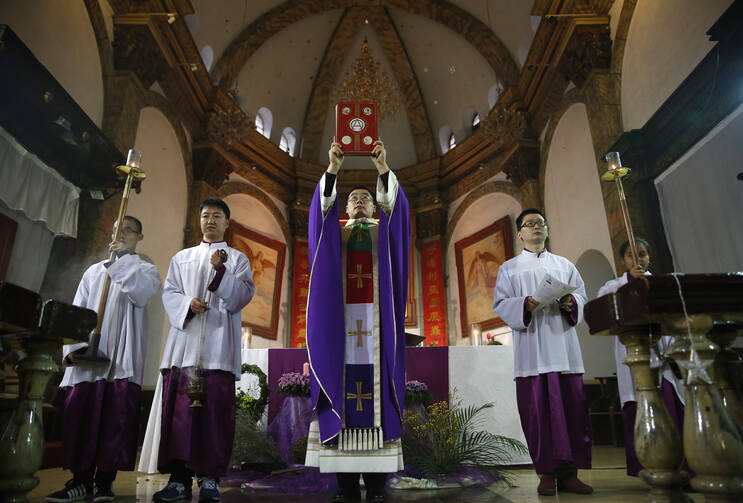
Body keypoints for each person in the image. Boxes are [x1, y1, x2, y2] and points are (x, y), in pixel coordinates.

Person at [304, 139, 410, 503]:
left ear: (377, 202)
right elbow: (319, 212)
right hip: (341, 330)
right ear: (344, 206)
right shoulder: (333, 234)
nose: (360, 201)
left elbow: (400, 216)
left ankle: (378, 485)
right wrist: (332, 170)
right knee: (342, 390)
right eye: (353, 198)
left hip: (377, 330)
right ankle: (346, 486)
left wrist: (383, 169)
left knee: (378, 394)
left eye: (367, 197)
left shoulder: (385, 232)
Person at [47, 216, 161, 503]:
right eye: (116, 231)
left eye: (128, 231)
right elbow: (78, 312)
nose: (121, 235)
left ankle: (105, 483)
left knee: (114, 422)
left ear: (139, 237)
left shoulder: (145, 270)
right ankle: (80, 481)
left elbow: (140, 294)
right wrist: (72, 351)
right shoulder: (93, 272)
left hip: (120, 361)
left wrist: (120, 260)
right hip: (90, 361)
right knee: (82, 421)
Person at [154, 198, 255, 502]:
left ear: (227, 223)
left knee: (213, 417)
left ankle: (210, 479)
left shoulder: (237, 259)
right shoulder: (181, 257)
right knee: (179, 416)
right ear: (199, 221)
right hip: (184, 347)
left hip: (218, 348)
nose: (210, 220)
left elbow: (241, 297)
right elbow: (169, 291)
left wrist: (220, 272)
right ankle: (179, 479)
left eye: (217, 216)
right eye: (206, 216)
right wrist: (187, 304)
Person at [493, 209, 593, 496]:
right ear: (520, 233)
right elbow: (501, 304)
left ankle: (570, 474)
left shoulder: (565, 266)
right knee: (538, 415)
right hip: (532, 353)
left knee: (572, 412)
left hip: (564, 350)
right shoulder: (509, 269)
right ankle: (546, 473)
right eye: (529, 224)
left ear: (547, 230)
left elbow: (582, 298)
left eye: (541, 223)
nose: (536, 227)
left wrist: (571, 303)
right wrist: (528, 303)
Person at [596, 238, 685, 477]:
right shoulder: (613, 286)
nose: (638, 260)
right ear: (623, 260)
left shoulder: (663, 284)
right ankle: (647, 467)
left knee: (671, 414)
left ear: (650, 257)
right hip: (634, 362)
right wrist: (631, 285)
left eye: (643, 254)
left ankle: (678, 467)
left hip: (662, 360)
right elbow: (603, 305)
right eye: (631, 256)